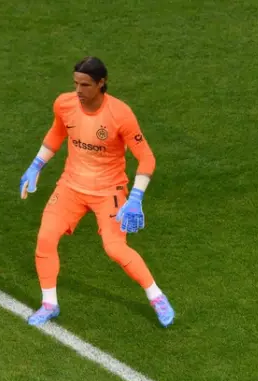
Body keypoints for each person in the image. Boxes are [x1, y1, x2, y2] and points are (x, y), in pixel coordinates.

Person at [20, 56, 174, 327]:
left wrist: (136, 197)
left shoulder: (120, 114)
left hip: (108, 191)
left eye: (86, 85)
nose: (79, 90)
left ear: (102, 83)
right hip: (71, 186)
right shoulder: (65, 104)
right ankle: (49, 304)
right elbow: (57, 134)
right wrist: (36, 165)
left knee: (115, 248)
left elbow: (147, 158)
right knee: (45, 238)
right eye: (76, 83)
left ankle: (156, 296)